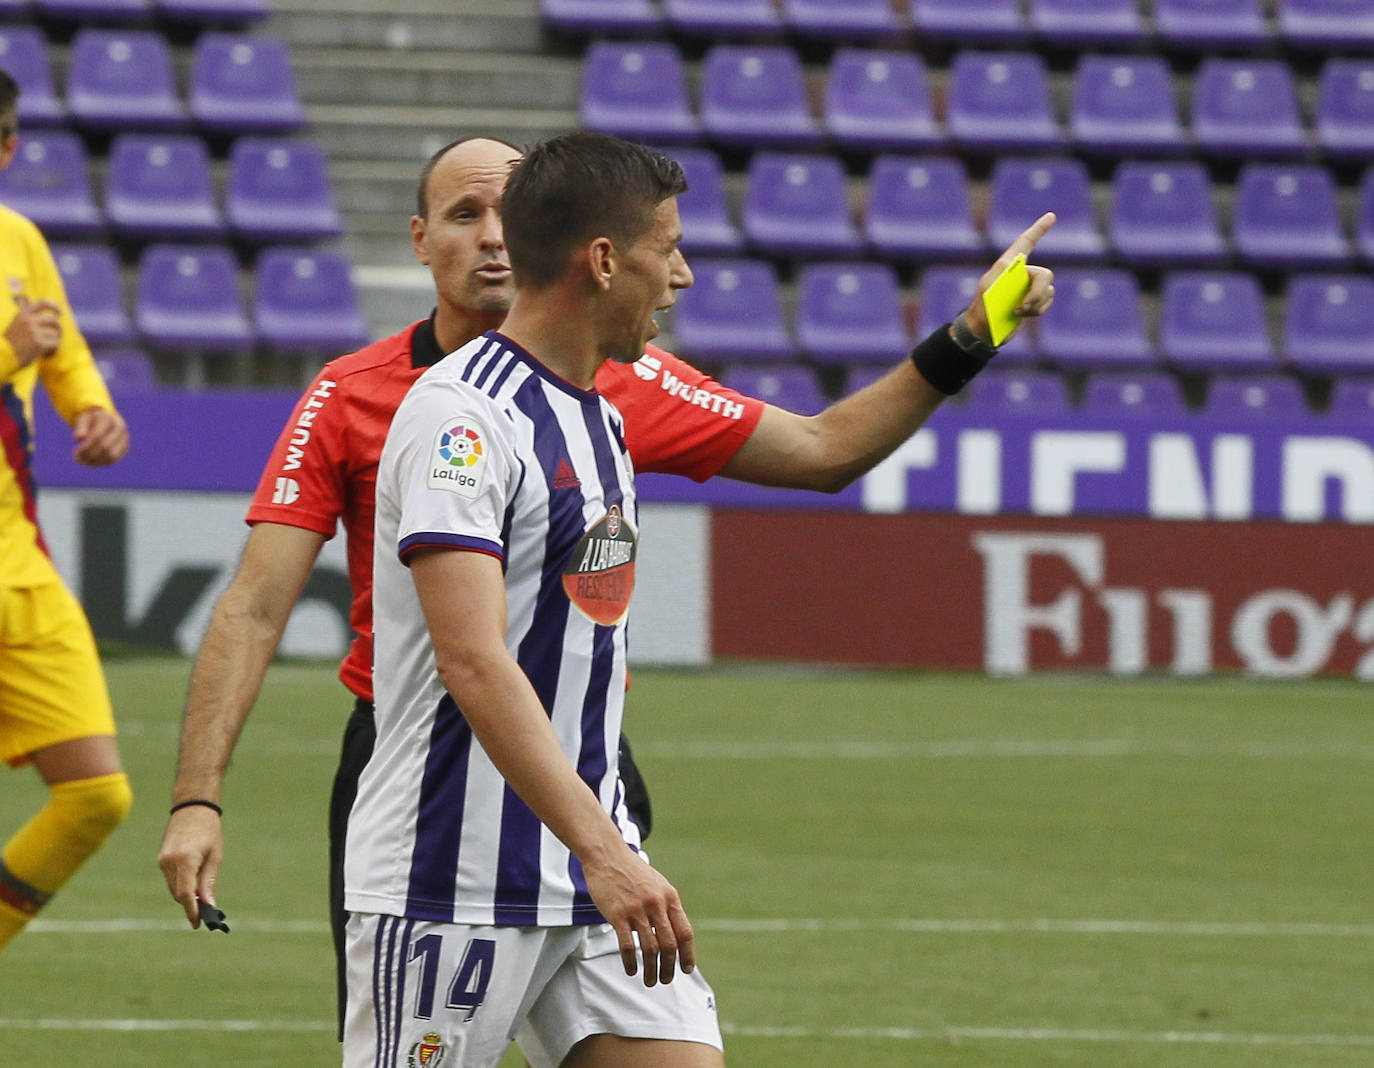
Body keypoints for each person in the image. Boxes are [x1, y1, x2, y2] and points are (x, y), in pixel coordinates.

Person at [157, 134, 1054, 1029]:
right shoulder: (383, 400)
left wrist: (971, 336)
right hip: (435, 785)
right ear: (421, 238)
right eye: (466, 216)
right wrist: (198, 797)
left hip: (586, 784)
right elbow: (263, 603)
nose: (494, 238)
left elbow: (823, 450)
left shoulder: (628, 382)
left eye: (509, 213)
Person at [346, 129, 712, 1067]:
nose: (681, 274)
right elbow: (473, 658)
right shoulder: (461, 416)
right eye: (664, 247)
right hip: (454, 877)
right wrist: (605, 850)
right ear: (601, 261)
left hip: (590, 870)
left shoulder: (601, 416)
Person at [0, 68, 132, 954]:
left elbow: (62, 347)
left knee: (97, 795)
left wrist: (90, 405)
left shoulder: (19, 239)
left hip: (17, 560)